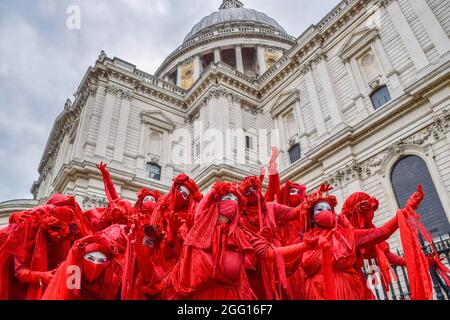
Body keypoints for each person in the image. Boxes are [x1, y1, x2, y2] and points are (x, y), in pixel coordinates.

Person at [152, 182, 313, 300]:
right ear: (216, 201)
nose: (233, 203)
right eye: (228, 198)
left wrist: (304, 246)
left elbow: (270, 253)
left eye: (237, 201)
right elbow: (201, 207)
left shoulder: (240, 233)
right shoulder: (199, 231)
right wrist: (217, 189)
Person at [297, 184, 431, 300]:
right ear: (311, 217)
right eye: (320, 209)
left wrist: (407, 209)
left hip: (346, 290)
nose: (325, 212)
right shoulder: (302, 241)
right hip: (314, 292)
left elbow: (381, 233)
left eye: (328, 209)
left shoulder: (346, 235)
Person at [0, 195, 93, 300]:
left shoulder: (73, 232)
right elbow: (20, 271)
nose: (60, 235)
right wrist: (42, 276)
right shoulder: (27, 231)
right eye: (56, 229)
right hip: (25, 289)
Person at [238, 176, 302, 299]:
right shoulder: (240, 216)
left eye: (254, 188)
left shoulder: (270, 207)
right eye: (247, 191)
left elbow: (292, 213)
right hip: (255, 262)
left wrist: (311, 202)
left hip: (276, 258)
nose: (252, 192)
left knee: (283, 292)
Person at [341, 192, 406, 298]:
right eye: (370, 209)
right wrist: (402, 215)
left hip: (358, 284)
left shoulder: (363, 232)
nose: (372, 214)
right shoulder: (345, 234)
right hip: (344, 287)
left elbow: (387, 253)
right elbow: (383, 232)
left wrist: (417, 262)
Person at [43, 224, 127, 300]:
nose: (95, 265)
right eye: (90, 258)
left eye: (101, 260)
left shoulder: (111, 280)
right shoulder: (71, 273)